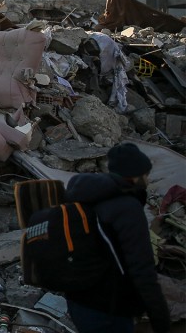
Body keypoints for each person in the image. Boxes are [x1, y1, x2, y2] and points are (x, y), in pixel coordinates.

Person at [63, 143, 170, 333]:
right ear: (136, 176)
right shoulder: (127, 208)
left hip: (78, 302)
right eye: (146, 174)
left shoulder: (85, 200)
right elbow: (141, 270)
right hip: (109, 310)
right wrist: (161, 321)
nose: (148, 179)